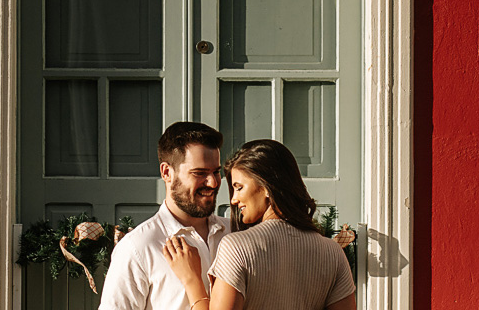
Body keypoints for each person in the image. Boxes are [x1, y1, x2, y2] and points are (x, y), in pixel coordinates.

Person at [161, 139, 356, 310]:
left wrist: (192, 281)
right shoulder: (332, 252)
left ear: (266, 188)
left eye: (239, 187)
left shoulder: (236, 247)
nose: (234, 200)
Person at [99, 121, 229, 310]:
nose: (213, 183)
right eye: (199, 173)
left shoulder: (235, 233)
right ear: (167, 172)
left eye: (216, 172)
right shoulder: (139, 247)